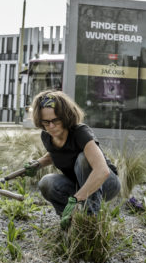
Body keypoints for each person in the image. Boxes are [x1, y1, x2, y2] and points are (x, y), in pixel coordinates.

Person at [24, 90, 120, 230]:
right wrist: (38, 164)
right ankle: (69, 221)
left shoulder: (80, 133)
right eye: (46, 122)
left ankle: (90, 223)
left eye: (55, 120)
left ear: (65, 116)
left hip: (105, 184)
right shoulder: (47, 136)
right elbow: (56, 153)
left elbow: (102, 171)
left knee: (83, 159)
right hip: (78, 184)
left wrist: (76, 198)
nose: (51, 126)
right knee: (46, 182)